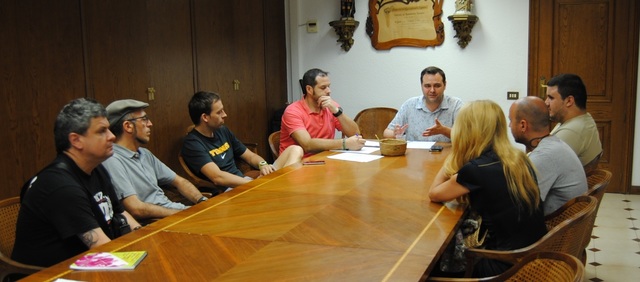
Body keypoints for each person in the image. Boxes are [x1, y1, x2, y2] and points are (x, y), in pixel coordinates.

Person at [12, 98, 142, 267]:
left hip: (87, 264)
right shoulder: (60, 186)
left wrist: (146, 242)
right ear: (76, 140)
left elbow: (122, 215)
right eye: (102, 131)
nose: (112, 136)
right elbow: (101, 249)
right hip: (48, 275)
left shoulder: (97, 169)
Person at [429, 100, 547, 277]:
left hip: (503, 265)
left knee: (433, 267)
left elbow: (435, 193)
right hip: (533, 255)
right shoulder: (518, 158)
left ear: (468, 130)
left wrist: (454, 155)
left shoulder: (476, 170)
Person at [102, 99, 209, 222]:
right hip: (159, 222)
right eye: (144, 119)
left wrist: (201, 201)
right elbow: (136, 208)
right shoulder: (113, 160)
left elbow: (179, 181)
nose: (150, 124)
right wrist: (181, 213)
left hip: (176, 213)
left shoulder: (145, 154)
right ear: (128, 126)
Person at [182, 91, 303, 189]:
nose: (225, 115)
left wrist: (263, 165)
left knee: (295, 149)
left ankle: (282, 186)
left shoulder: (222, 130)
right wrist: (252, 184)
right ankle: (283, 187)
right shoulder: (192, 144)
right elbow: (217, 177)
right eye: (219, 112)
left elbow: (250, 156)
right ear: (205, 117)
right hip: (232, 189)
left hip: (248, 182)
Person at [509, 96, 587, 215]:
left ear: (523, 125)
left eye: (511, 120)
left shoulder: (544, 156)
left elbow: (520, 205)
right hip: (563, 225)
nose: (509, 126)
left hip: (554, 231)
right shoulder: (553, 144)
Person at [280, 68, 365, 156]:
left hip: (325, 159)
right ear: (309, 89)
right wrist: (344, 143)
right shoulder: (293, 111)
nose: (329, 91)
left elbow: (356, 134)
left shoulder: (331, 106)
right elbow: (307, 145)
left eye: (329, 86)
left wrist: (337, 112)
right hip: (299, 164)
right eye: (323, 87)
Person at [383, 66, 463, 142]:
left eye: (437, 86)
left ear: (445, 85)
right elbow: (386, 133)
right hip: (414, 154)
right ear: (421, 86)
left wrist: (444, 131)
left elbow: (467, 137)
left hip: (446, 154)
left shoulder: (456, 105)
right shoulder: (409, 105)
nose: (432, 90)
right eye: (427, 86)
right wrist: (395, 133)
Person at [545, 73, 602, 171]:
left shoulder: (573, 131)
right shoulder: (580, 119)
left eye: (551, 98)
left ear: (569, 101)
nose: (546, 102)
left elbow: (541, 165)